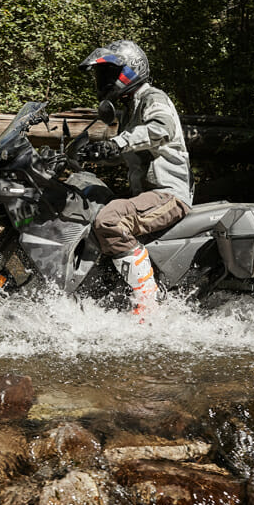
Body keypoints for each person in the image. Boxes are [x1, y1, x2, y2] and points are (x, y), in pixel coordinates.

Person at [77, 40, 192, 318]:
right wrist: (88, 153)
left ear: (130, 70)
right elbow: (128, 151)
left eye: (108, 74)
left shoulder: (153, 98)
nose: (102, 80)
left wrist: (117, 143)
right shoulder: (130, 108)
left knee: (109, 220)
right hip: (148, 195)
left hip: (168, 194)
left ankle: (148, 305)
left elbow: (159, 129)